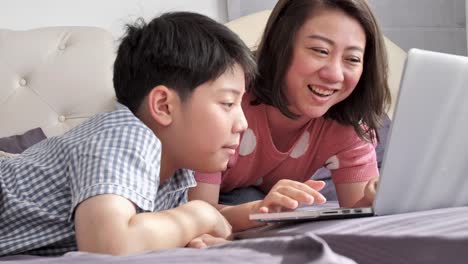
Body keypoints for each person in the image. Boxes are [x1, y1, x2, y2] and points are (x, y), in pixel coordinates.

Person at [0, 11, 256, 256]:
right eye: (227, 103)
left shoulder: (176, 172)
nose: (242, 124)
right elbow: (108, 244)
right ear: (164, 106)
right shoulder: (124, 137)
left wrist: (248, 215)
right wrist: (200, 215)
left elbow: (154, 230)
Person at [189, 0, 390, 231]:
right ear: (280, 44)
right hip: (214, 199)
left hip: (269, 197)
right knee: (246, 198)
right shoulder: (229, 98)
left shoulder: (348, 123)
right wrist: (257, 210)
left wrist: (375, 198)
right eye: (320, 51)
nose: (334, 74)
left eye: (352, 59)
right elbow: (195, 214)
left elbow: (359, 214)